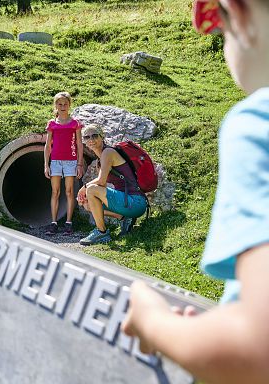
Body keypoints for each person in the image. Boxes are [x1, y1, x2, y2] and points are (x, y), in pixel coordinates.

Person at [121, 1, 269, 383]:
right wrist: (213, 330)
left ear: (235, 14)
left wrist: (155, 325)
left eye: (219, 34)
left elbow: (254, 353)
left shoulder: (257, 124)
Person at [77, 124, 147, 245]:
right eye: (87, 137)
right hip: (127, 202)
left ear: (102, 137)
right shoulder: (100, 161)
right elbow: (101, 187)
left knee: (91, 189)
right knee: (88, 204)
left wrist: (83, 188)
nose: (91, 140)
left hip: (136, 202)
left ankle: (102, 233)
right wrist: (85, 195)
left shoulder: (108, 152)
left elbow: (100, 181)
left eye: (94, 136)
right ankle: (124, 217)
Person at [44, 92, 83, 235]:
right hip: (55, 162)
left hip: (71, 162)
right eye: (59, 104)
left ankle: (68, 223)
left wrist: (79, 164)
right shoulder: (52, 124)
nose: (62, 106)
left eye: (65, 104)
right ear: (55, 105)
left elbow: (79, 145)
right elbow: (48, 146)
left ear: (69, 105)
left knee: (69, 191)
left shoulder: (75, 123)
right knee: (55, 192)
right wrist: (46, 165)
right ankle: (53, 223)